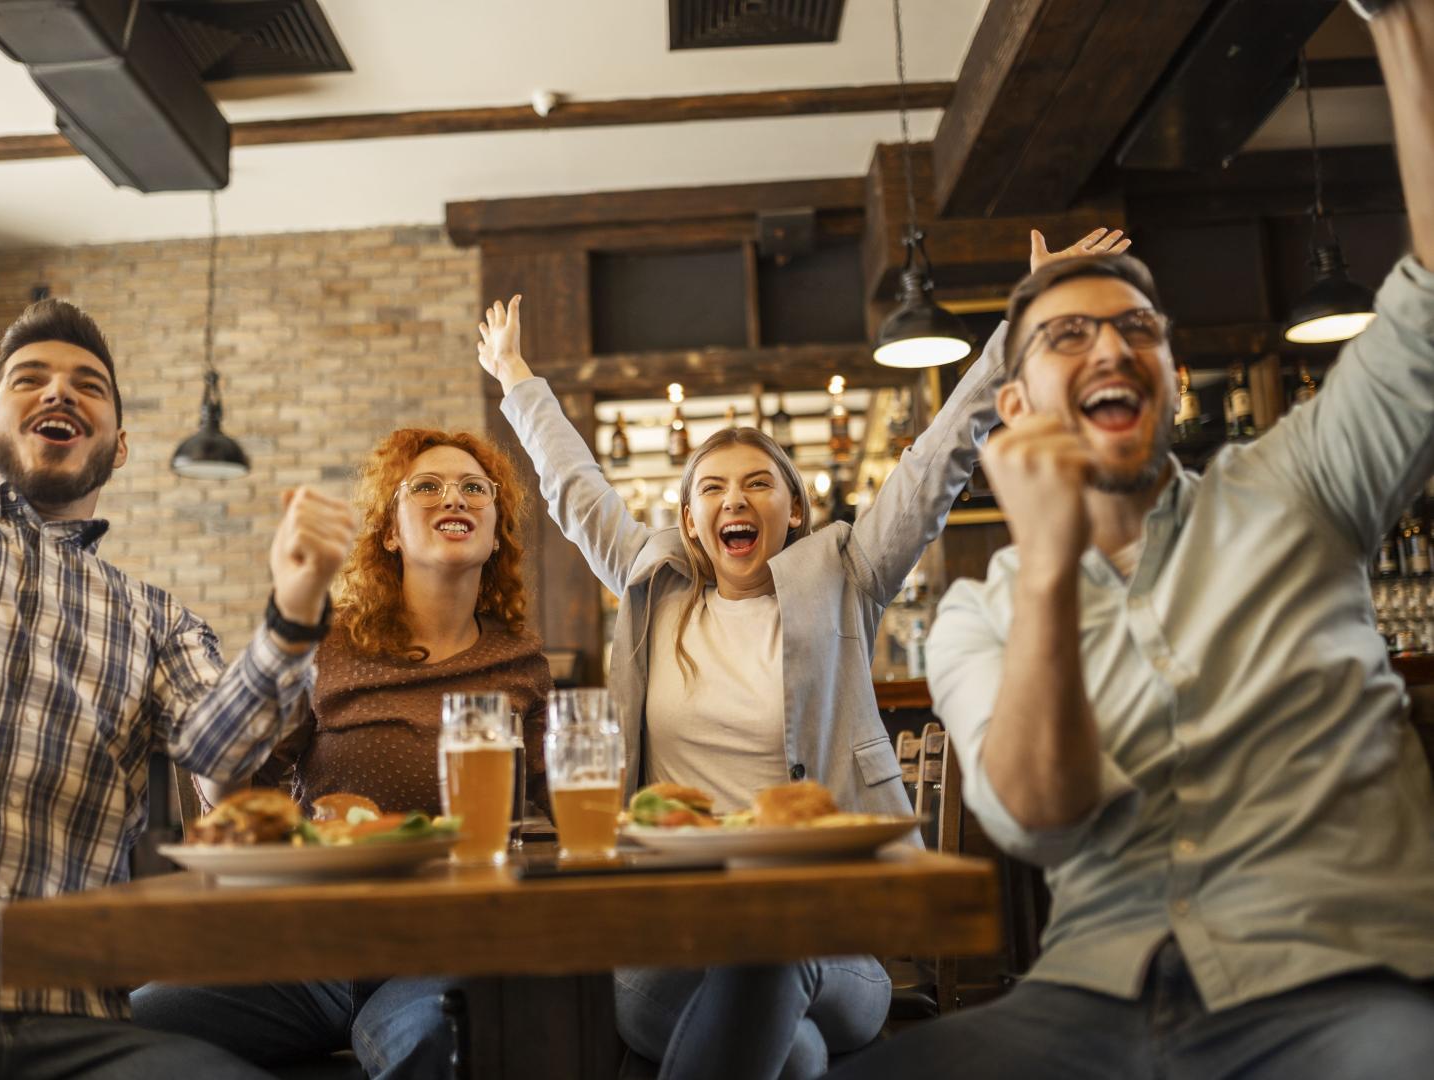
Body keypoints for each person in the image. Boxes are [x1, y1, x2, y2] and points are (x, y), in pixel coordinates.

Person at [831, 5, 1434, 1079]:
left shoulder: (1301, 483)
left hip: (1344, 983)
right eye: (1070, 334)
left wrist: (1403, 30)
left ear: (1167, 376)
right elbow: (1039, 819)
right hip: (1090, 1002)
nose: (1112, 344)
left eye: (1138, 331)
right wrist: (1053, 568)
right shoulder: (981, 613)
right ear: (1013, 405)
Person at [473, 229, 1127, 1080]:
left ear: (794, 508)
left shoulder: (846, 574)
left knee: (773, 951)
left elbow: (939, 461)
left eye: (755, 484)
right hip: (666, 936)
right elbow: (572, 485)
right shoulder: (650, 586)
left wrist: (1027, 321)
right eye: (709, 488)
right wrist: (515, 379)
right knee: (798, 1053)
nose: (732, 500)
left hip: (830, 932)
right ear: (688, 520)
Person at [0, 299, 356, 1079]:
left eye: (88, 386)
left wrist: (295, 614)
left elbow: (220, 753)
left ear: (120, 446)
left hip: (76, 1027)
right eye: (29, 379)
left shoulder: (155, 619)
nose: (59, 393)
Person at [133, 428, 552, 1077]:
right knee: (120, 1025)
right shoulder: (329, 645)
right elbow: (235, 798)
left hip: (447, 946)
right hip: (309, 949)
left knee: (434, 1042)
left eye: (475, 487)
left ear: (496, 532)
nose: (455, 497)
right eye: (428, 486)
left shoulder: (521, 660)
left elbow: (543, 818)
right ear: (389, 531)